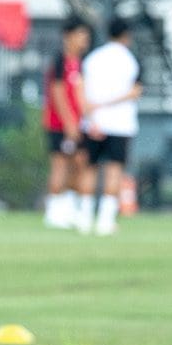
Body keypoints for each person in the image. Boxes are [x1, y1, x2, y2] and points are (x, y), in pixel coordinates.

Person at [77, 19, 144, 237]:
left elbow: (82, 91)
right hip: (120, 124)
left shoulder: (92, 59)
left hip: (93, 121)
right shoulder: (131, 61)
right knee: (114, 170)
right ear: (127, 36)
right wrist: (109, 103)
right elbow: (135, 92)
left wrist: (91, 116)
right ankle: (105, 221)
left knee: (89, 169)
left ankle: (85, 218)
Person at [41, 19, 90, 229]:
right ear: (68, 36)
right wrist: (69, 123)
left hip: (77, 124)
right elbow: (58, 94)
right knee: (60, 166)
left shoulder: (79, 64)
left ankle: (68, 208)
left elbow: (80, 96)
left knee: (77, 164)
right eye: (80, 35)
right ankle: (53, 211)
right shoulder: (60, 61)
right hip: (59, 125)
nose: (84, 40)